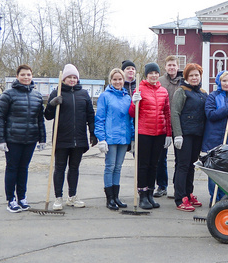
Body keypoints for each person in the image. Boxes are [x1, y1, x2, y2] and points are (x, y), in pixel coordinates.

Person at [44, 64, 97, 211]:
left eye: (74, 77)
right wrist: (52, 104)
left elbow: (90, 115)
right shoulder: (57, 92)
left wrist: (92, 133)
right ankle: (58, 198)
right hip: (61, 138)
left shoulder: (84, 94)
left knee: (74, 168)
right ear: (64, 79)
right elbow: (48, 116)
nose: (72, 80)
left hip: (79, 139)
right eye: (69, 77)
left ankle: (72, 196)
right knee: (60, 168)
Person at [0, 64, 46, 213]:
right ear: (17, 76)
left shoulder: (37, 96)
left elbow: (40, 120)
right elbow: (0, 118)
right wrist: (0, 139)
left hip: (30, 139)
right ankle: (11, 199)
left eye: (28, 75)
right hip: (13, 139)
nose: (26, 77)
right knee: (12, 168)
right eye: (23, 75)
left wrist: (42, 139)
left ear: (32, 76)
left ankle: (22, 197)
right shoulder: (8, 95)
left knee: (24, 168)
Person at [129, 62, 172, 210]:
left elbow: (167, 113)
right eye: (151, 73)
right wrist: (134, 102)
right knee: (144, 165)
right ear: (146, 74)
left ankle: (150, 195)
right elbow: (131, 113)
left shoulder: (163, 91)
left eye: (156, 73)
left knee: (154, 164)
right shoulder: (139, 89)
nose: (154, 75)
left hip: (159, 133)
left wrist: (169, 133)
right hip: (144, 133)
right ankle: (142, 195)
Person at [201, 70, 228, 203]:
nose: (227, 83)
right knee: (214, 171)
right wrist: (227, 109)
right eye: (224, 81)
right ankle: (214, 198)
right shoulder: (213, 96)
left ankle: (225, 198)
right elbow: (210, 114)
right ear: (219, 82)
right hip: (214, 139)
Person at [170, 63, 207, 211]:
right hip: (184, 135)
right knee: (183, 165)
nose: (194, 78)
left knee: (192, 165)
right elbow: (175, 113)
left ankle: (189, 192)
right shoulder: (181, 91)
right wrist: (177, 134)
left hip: (197, 134)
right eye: (191, 75)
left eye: (196, 75)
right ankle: (180, 198)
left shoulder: (203, 93)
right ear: (186, 77)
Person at [95, 68, 133, 211]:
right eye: (115, 79)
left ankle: (116, 196)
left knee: (118, 167)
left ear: (124, 80)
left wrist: (133, 137)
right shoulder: (105, 96)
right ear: (110, 81)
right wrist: (101, 138)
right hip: (110, 137)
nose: (118, 82)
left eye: (120, 79)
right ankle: (109, 198)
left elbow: (131, 119)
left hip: (124, 137)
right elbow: (100, 119)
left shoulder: (127, 97)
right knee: (110, 167)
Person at [155, 55, 182, 197]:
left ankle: (178, 187)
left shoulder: (183, 82)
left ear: (178, 67)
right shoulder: (160, 82)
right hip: (162, 124)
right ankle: (161, 185)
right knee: (160, 158)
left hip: (179, 124)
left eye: (174, 65)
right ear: (165, 67)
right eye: (169, 65)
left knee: (180, 158)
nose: (172, 68)